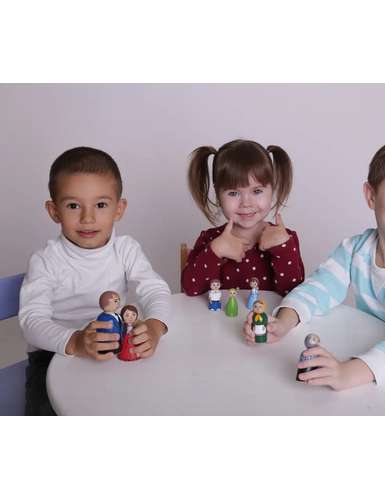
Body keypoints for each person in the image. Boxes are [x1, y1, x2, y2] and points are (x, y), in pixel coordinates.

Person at [244, 138, 385, 416]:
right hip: (376, 362)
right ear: (371, 196)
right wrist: (284, 321)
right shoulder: (356, 248)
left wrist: (347, 372)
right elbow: (319, 287)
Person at [19, 146, 170, 415]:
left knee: (146, 403)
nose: (87, 218)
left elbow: (154, 289)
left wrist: (156, 327)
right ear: (54, 211)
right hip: (54, 353)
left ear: (118, 209)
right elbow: (32, 322)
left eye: (100, 205)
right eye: (73, 205)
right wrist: (76, 341)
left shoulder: (126, 249)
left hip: (113, 345)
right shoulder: (45, 260)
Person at [181, 139, 305, 296]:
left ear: (272, 190)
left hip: (267, 314)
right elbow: (190, 289)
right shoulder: (210, 239)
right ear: (218, 195)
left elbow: (296, 298)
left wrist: (283, 249)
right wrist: (215, 251)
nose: (246, 203)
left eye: (257, 191)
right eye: (233, 193)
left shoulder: (286, 239)